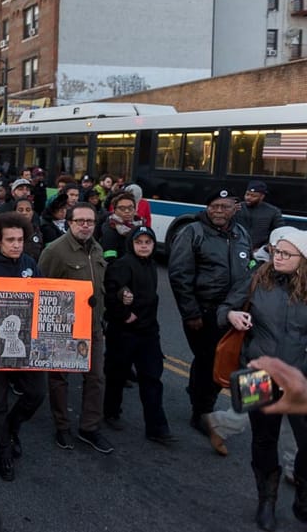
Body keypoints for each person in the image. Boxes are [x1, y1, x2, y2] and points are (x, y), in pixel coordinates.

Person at [218, 227, 307, 530]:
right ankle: (266, 500)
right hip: (257, 375)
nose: (277, 257)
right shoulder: (256, 278)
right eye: (275, 252)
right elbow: (224, 308)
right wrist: (231, 316)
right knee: (264, 440)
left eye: (285, 254)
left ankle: (303, 495)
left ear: (302, 259)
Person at [168, 188, 253, 446]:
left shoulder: (241, 234)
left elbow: (249, 269)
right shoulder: (192, 232)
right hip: (203, 312)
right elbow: (179, 275)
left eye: (224, 206)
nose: (218, 211)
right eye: (214, 206)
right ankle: (201, 411)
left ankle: (203, 397)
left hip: (234, 311)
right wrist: (191, 312)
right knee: (208, 361)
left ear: (234, 208)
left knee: (232, 360)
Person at [0, 213, 47, 481]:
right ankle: (3, 451)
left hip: (27, 344)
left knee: (36, 393)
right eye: (10, 240)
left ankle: (12, 427)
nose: (16, 245)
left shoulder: (29, 263)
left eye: (20, 239)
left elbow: (43, 294)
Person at [39, 202, 113, 454]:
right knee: (60, 378)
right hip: (64, 328)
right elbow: (43, 290)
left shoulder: (98, 248)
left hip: (93, 326)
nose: (85, 225)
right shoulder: (55, 251)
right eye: (79, 221)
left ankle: (90, 428)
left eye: (89, 221)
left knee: (96, 378)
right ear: (68, 223)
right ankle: (62, 426)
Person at [103, 226, 174, 444]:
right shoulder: (122, 265)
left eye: (148, 242)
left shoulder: (151, 265)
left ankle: (157, 427)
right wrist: (124, 314)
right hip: (124, 332)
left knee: (152, 378)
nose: (144, 246)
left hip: (148, 332)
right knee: (116, 375)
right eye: (139, 242)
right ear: (131, 244)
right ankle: (111, 412)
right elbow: (111, 292)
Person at [235, 180, 284, 252]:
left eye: (253, 196)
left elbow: (279, 231)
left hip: (260, 251)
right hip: (237, 247)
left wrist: (266, 247)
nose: (248, 198)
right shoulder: (237, 208)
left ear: (262, 197)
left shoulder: (273, 211)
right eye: (247, 194)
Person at [99, 192, 143, 262]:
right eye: (122, 208)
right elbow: (109, 258)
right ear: (114, 210)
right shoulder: (109, 229)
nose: (127, 211)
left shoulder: (140, 227)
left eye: (130, 208)